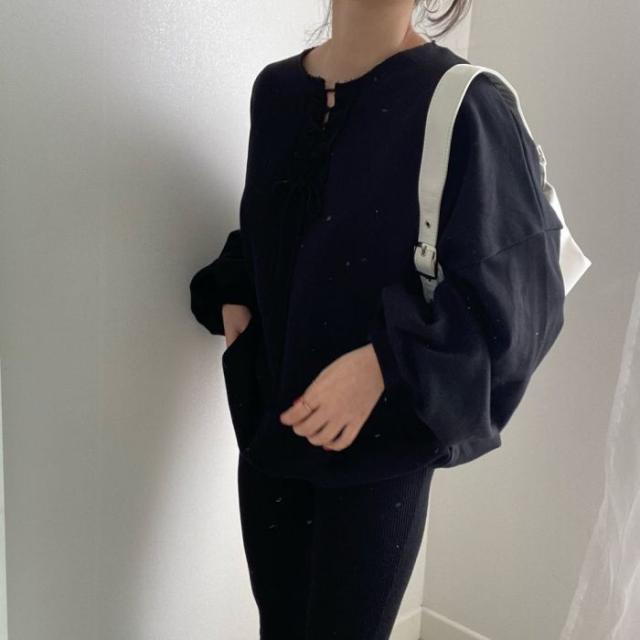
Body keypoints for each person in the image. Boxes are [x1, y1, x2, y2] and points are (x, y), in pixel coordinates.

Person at [189, 1, 566, 637]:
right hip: (272, 436)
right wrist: (235, 299)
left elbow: (520, 299)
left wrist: (383, 363)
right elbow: (271, 236)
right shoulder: (276, 92)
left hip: (379, 459)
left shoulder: (465, 104)